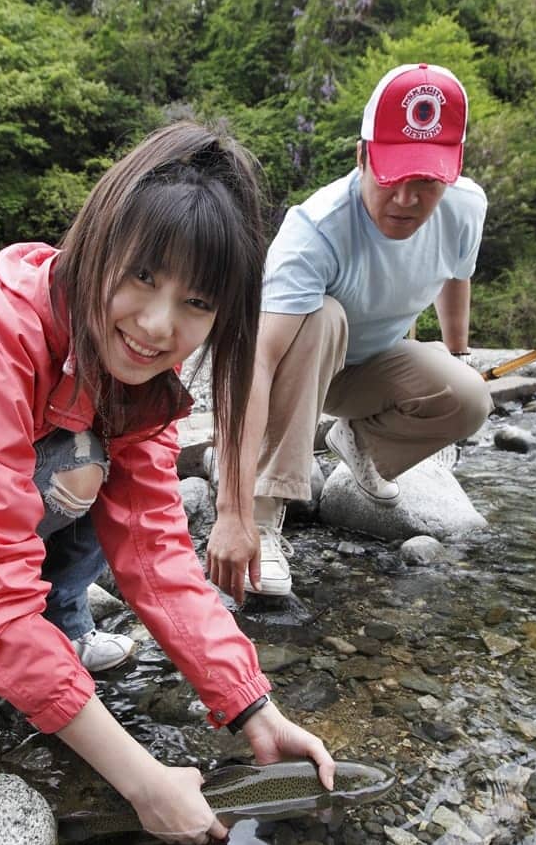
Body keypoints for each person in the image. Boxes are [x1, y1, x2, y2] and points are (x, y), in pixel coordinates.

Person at [0, 120, 335, 844]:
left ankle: (62, 627)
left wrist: (251, 707)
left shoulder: (136, 386)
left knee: (95, 463)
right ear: (97, 246)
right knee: (71, 463)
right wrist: (141, 781)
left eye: (198, 303)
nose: (158, 326)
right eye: (142, 276)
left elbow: (154, 554)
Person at [207, 63, 493, 602]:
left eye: (427, 182)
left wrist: (460, 352)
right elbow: (256, 365)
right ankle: (268, 514)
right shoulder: (315, 229)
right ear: (362, 155)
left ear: (450, 173)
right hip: (304, 362)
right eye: (392, 177)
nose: (408, 199)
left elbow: (458, 274)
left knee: (470, 398)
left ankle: (357, 443)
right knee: (322, 317)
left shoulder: (465, 207)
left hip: (376, 366)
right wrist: (233, 510)